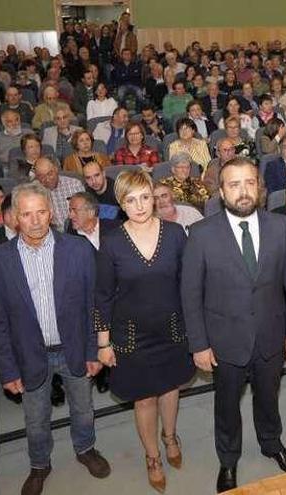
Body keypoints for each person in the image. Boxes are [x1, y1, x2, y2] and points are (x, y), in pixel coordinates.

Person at [181, 157, 286, 493]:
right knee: (227, 405)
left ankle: (272, 443)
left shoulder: (281, 227)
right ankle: (228, 458)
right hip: (224, 342)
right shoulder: (202, 234)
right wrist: (199, 345)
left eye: (250, 182)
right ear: (221, 192)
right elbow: (190, 295)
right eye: (234, 184)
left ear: (260, 188)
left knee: (268, 397)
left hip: (271, 336)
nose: (243, 191)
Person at [0, 183, 111, 495]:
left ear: (51, 213)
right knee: (36, 418)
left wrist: (93, 349)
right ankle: (40, 464)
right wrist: (8, 370)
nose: (36, 220)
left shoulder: (78, 249)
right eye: (27, 214)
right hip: (30, 354)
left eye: (41, 212)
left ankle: (85, 449)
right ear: (15, 218)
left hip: (75, 349)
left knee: (83, 408)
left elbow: (93, 305)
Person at [94, 171, 194, 492]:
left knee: (170, 388)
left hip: (173, 330)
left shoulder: (177, 233)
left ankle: (171, 435)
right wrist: (103, 342)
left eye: (145, 197)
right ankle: (153, 456)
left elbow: (188, 285)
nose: (139, 206)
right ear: (121, 203)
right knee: (145, 399)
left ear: (155, 196)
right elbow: (103, 296)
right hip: (132, 337)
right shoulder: (110, 243)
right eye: (130, 200)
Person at [33, 157, 85, 230]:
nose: (47, 179)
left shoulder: (74, 184)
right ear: (36, 176)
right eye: (41, 176)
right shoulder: (34, 190)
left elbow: (83, 213)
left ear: (56, 169)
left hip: (74, 228)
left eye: (50, 174)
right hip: (51, 232)